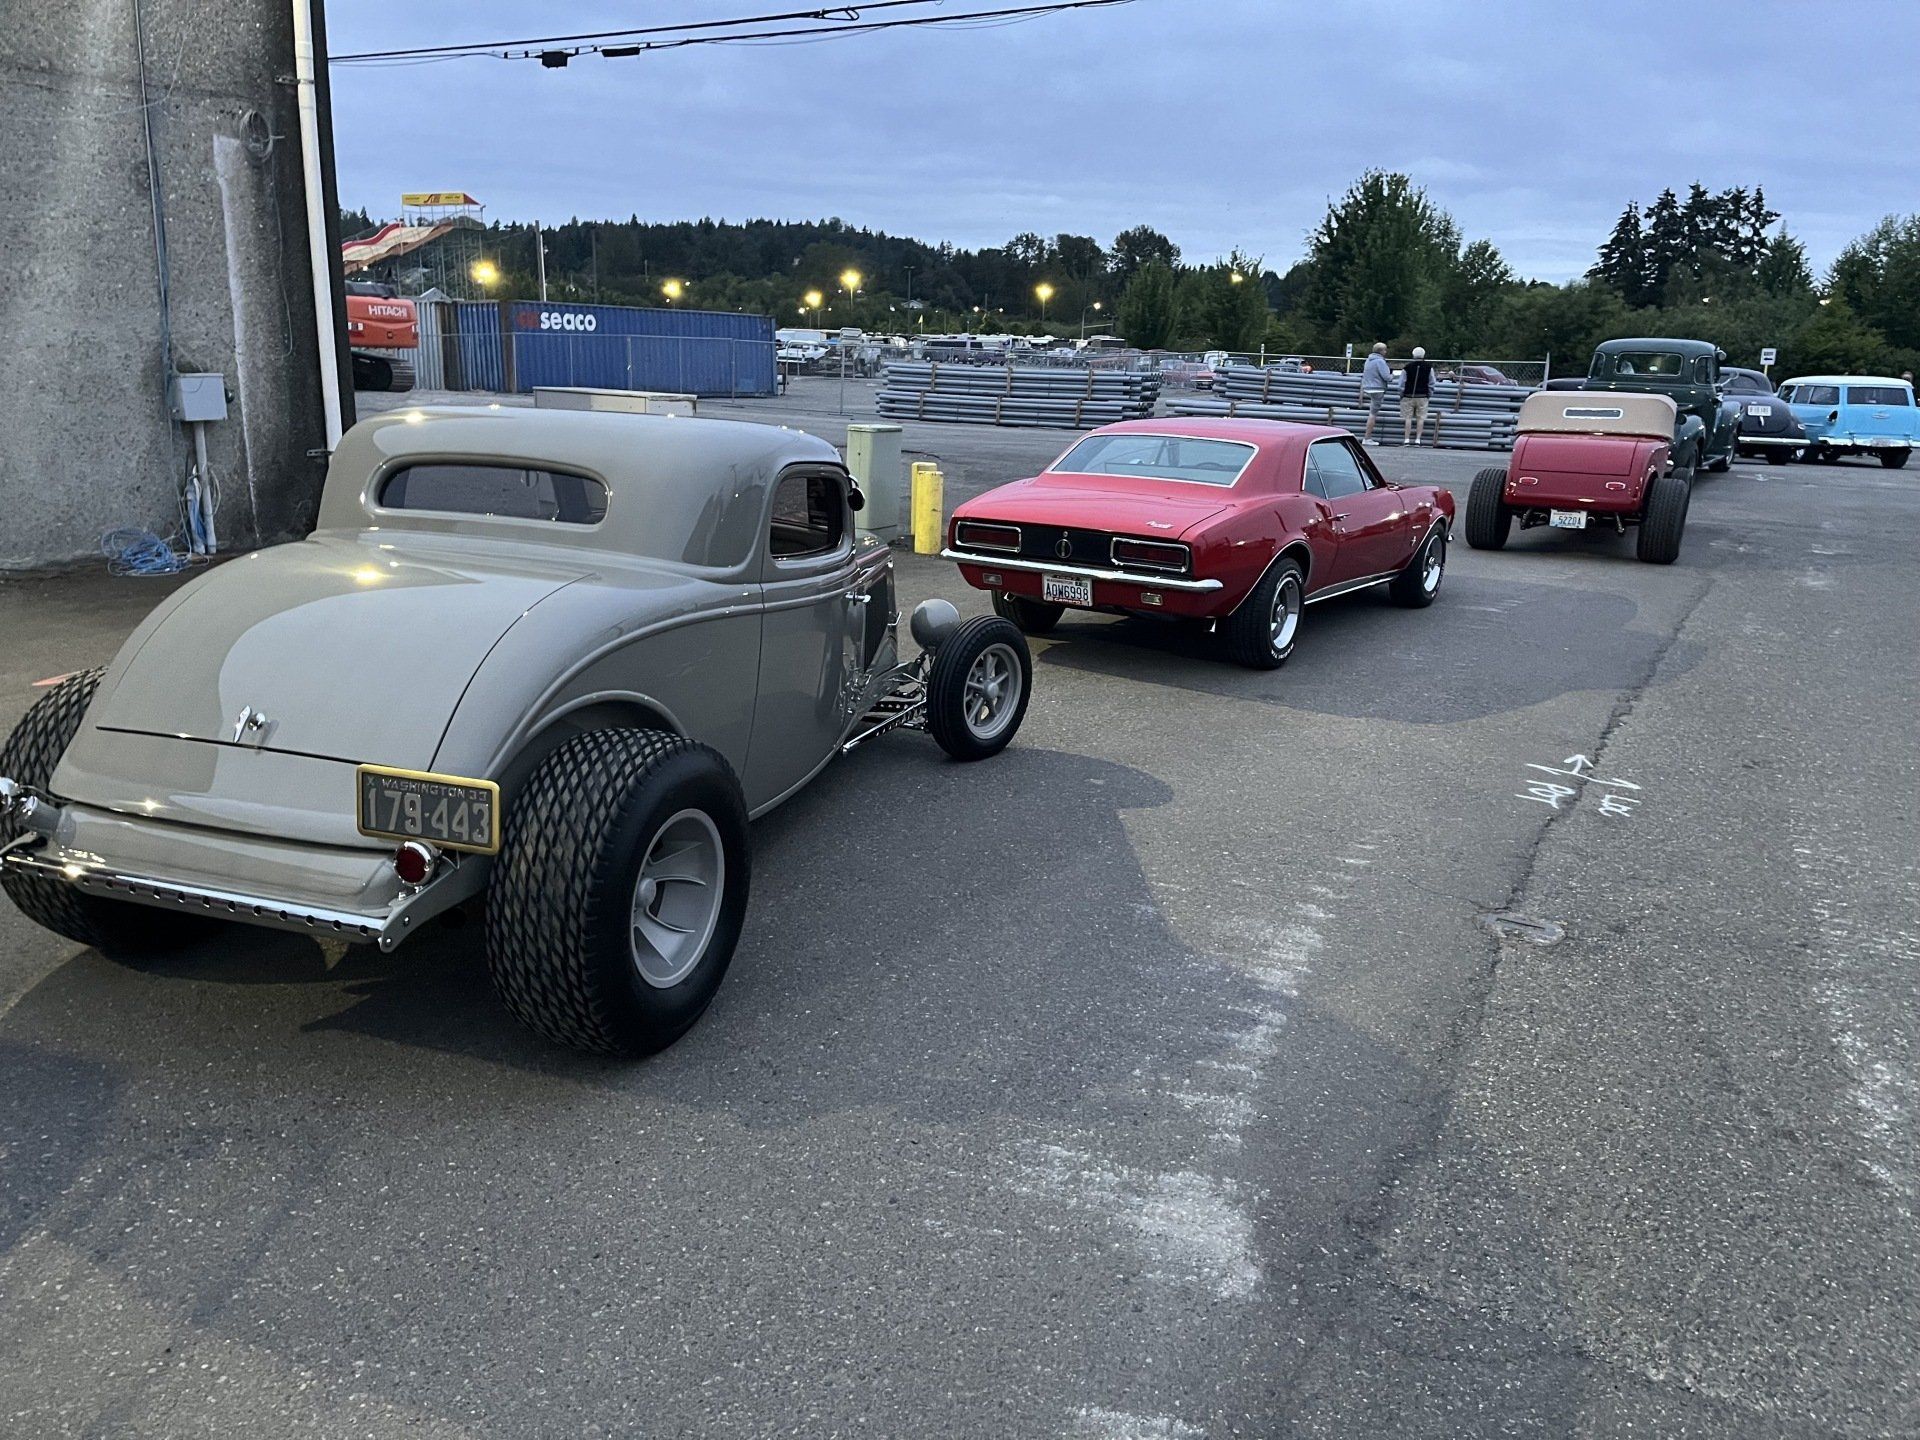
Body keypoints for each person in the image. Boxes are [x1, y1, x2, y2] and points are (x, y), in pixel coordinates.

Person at [1401, 346, 1435, 446]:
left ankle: (1406, 439)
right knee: (1421, 418)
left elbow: (1401, 383)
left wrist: (1401, 394)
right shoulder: (1429, 368)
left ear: (1413, 355)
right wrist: (1429, 394)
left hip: (1408, 395)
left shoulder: (1407, 367)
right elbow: (1432, 382)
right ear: (1423, 355)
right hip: (1422, 395)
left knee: (1408, 418)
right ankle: (1418, 440)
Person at [1360, 342, 1393, 444]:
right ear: (1381, 351)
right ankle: (1367, 438)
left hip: (1368, 387)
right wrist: (1394, 375)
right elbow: (1386, 377)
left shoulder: (1368, 360)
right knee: (1373, 414)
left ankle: (1367, 437)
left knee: (1372, 412)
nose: (1386, 352)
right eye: (1385, 350)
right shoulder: (1380, 362)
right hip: (1377, 389)